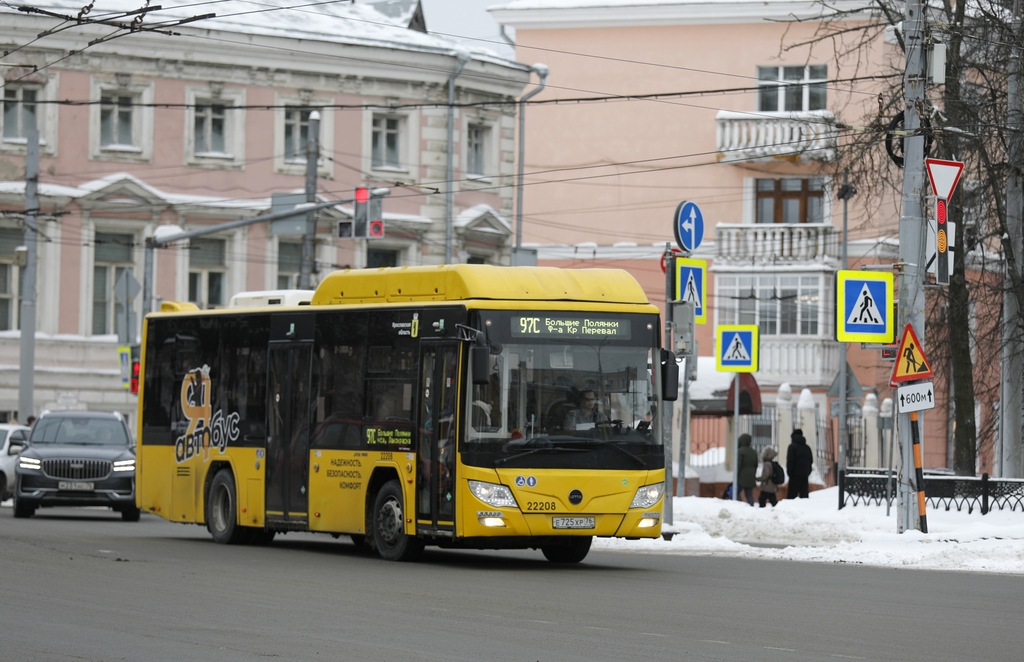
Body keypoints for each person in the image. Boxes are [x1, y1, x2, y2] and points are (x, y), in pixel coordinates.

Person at [786, 429, 814, 499]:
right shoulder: (807, 448)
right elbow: (811, 461)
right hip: (805, 475)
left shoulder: (792, 447)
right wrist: (807, 472)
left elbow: (790, 461)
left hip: (794, 475)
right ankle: (804, 509)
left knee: (792, 496)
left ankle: (790, 509)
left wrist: (790, 473)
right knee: (804, 496)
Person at [736, 433, 758, 506]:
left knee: (736, 492)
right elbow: (756, 464)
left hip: (742, 475)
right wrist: (753, 473)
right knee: (749, 493)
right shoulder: (753, 451)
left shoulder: (740, 451)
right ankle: (751, 506)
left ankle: (740, 505)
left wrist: (736, 474)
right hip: (751, 475)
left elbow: (738, 464)